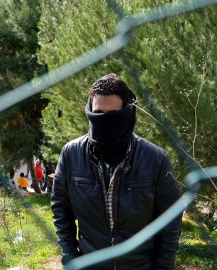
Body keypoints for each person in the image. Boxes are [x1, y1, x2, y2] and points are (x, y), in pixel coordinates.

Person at [51, 74, 182, 269]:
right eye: (98, 113)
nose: (104, 121)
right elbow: (61, 211)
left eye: (111, 114)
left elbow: (170, 221)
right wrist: (70, 257)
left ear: (127, 112)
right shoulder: (72, 154)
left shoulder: (155, 159)